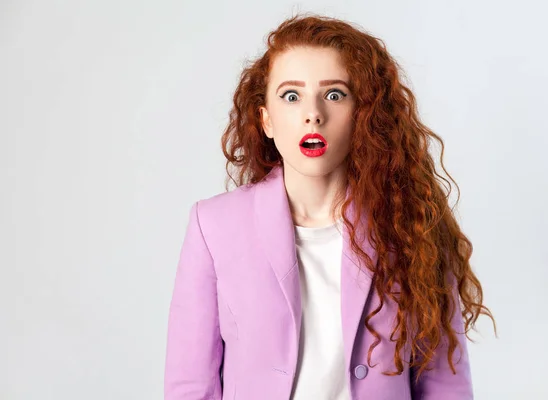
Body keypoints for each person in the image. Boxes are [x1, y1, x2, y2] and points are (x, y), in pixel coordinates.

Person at [164, 13, 496, 400]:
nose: (313, 114)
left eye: (334, 94)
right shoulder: (214, 226)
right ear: (266, 120)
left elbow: (445, 386)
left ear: (363, 115)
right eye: (292, 96)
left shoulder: (412, 225)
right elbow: (190, 387)